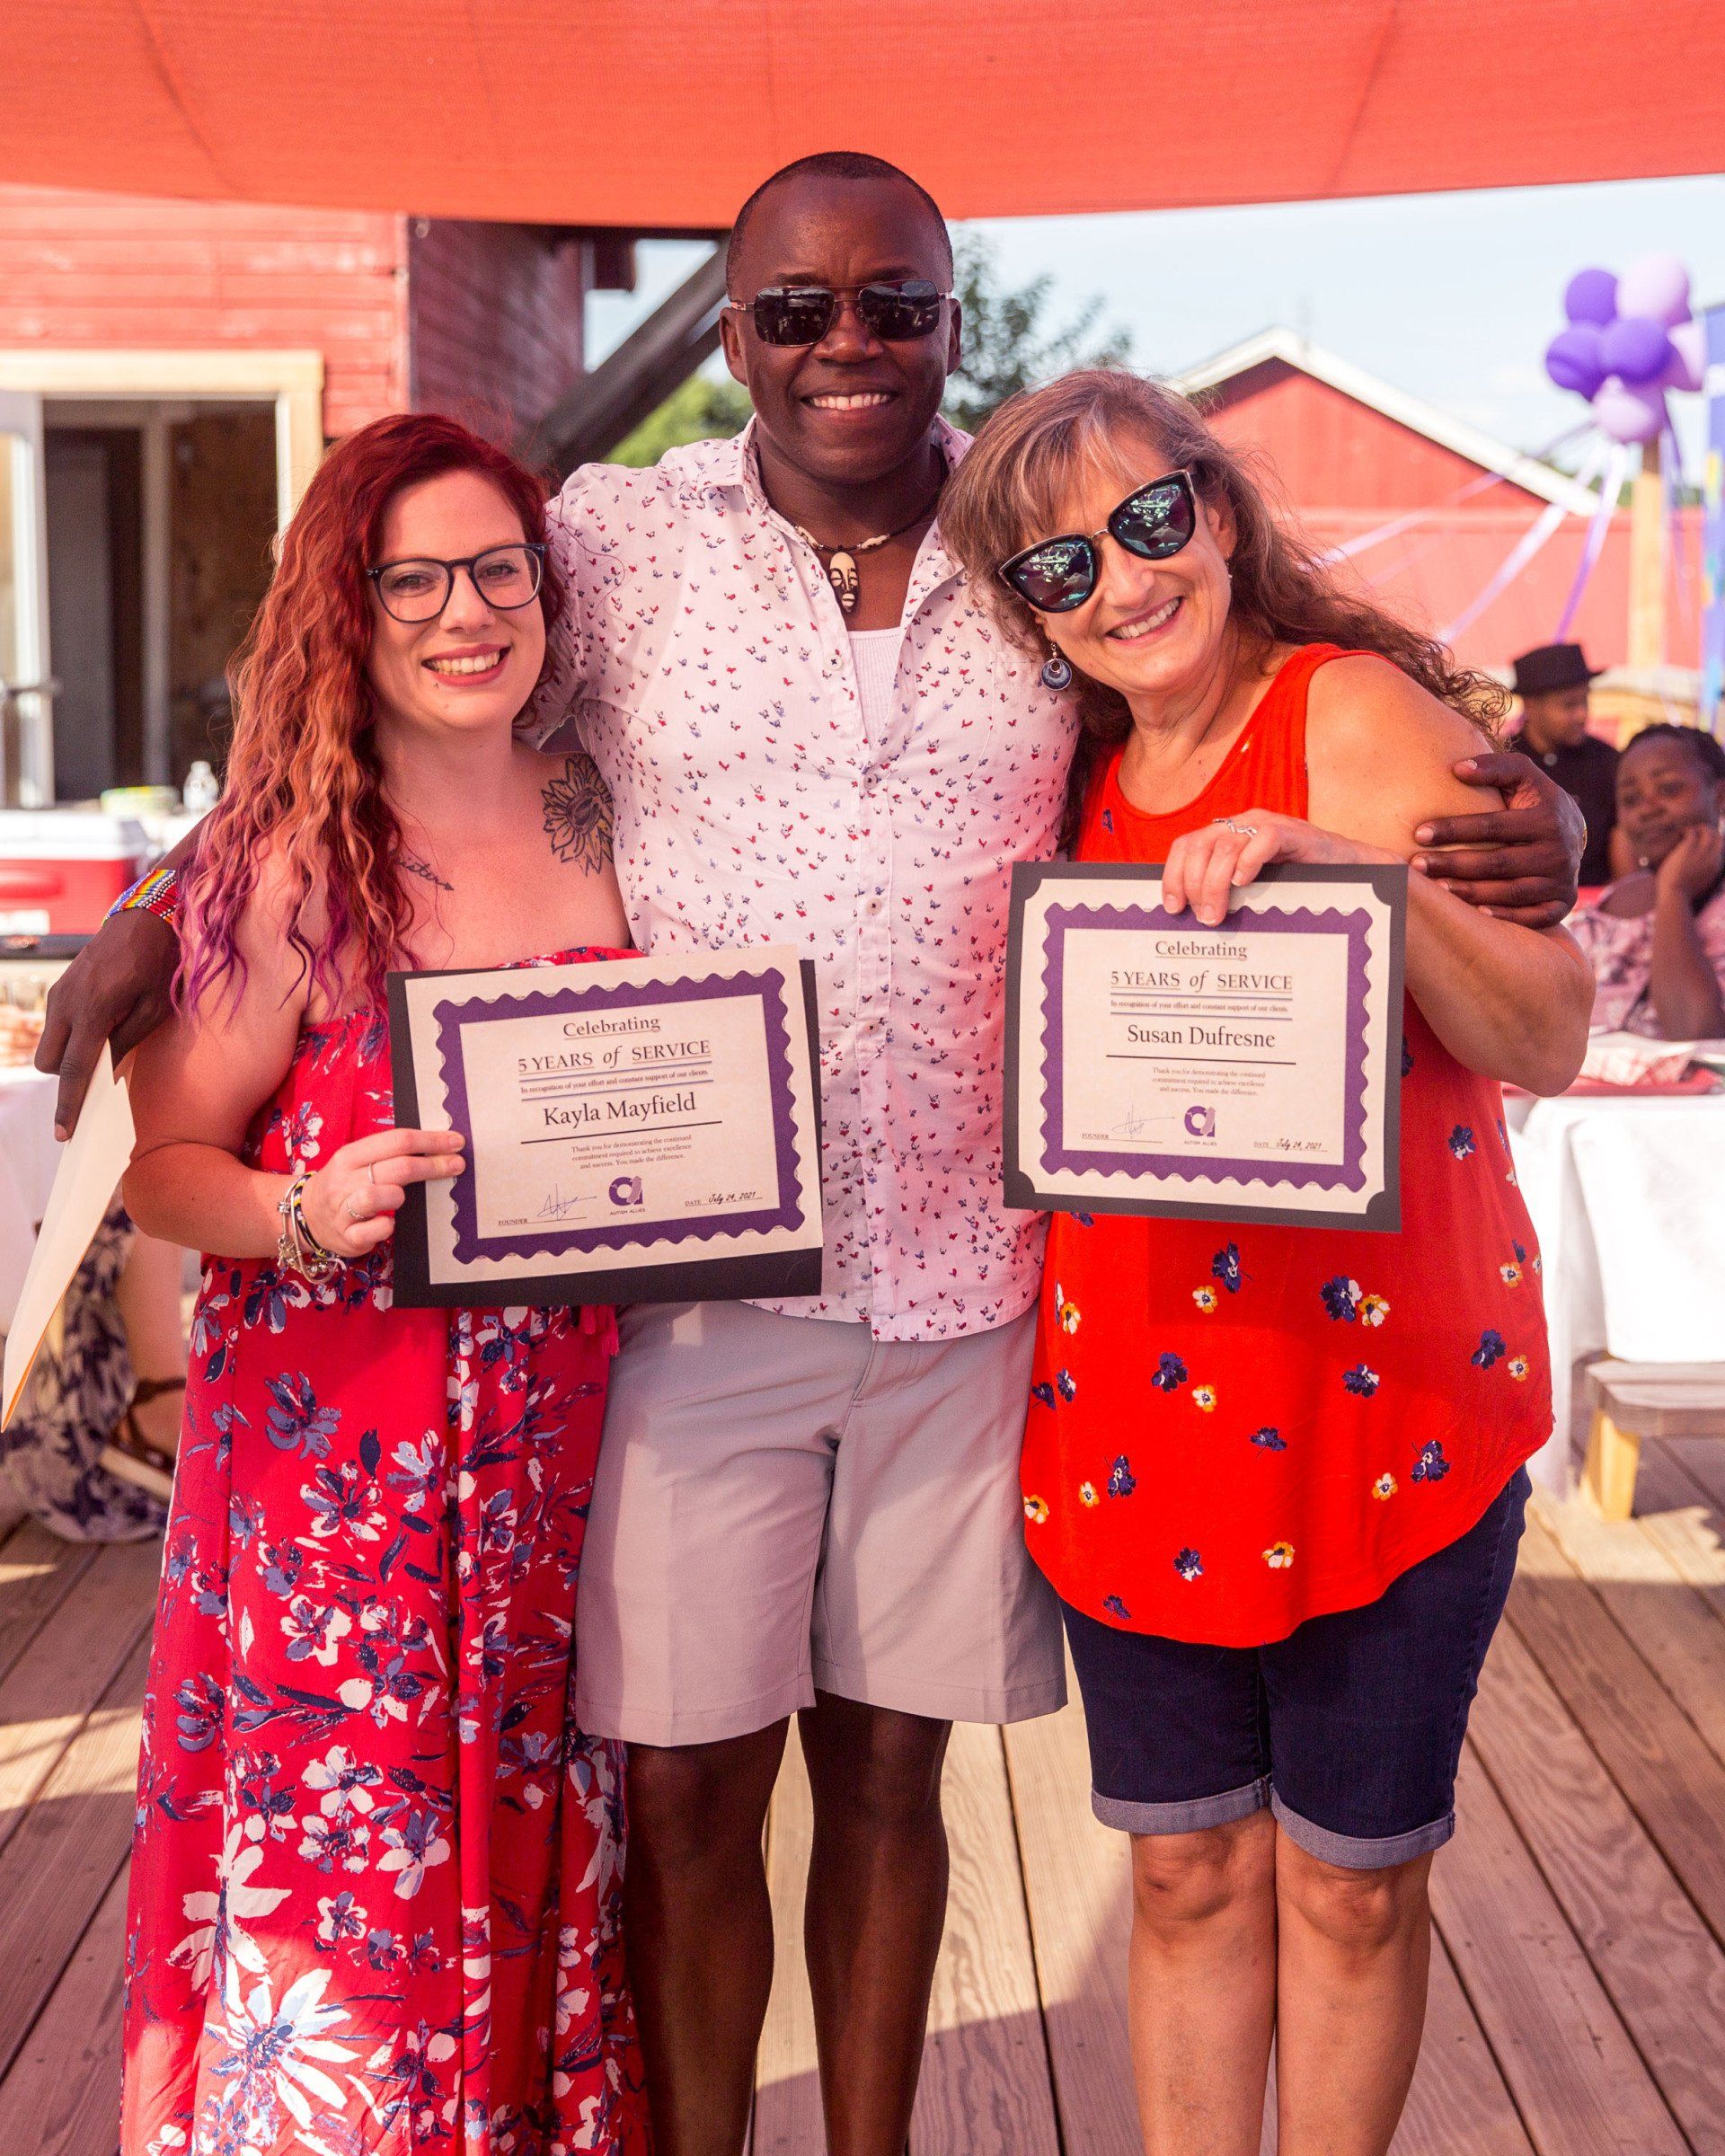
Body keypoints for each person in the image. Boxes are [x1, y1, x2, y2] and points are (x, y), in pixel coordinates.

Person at [40, 155, 1583, 2156]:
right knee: (685, 1791)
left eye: (894, 305)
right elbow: (404, 678)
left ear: (952, 314)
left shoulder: (1031, 553)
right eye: (793, 309)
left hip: (979, 1294)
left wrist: (1527, 796)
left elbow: (1281, 658)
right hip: (693, 1297)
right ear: (731, 328)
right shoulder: (614, 538)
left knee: (890, 1777)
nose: (846, 344)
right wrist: (176, 897)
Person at [942, 368, 1592, 2156]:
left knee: (1357, 1890)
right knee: (1187, 1881)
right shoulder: (1053, 777)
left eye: (1151, 521)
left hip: (1388, 1420)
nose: (1122, 580)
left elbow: (1546, 1031)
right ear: (1030, 615)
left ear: (1217, 513)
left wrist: (1347, 884)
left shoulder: (1353, 713)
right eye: (1060, 566)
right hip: (1136, 1420)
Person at [117, 413, 645, 2153]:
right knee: (348, 1893)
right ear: (342, 608)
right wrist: (305, 1210)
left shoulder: (605, 818)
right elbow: (162, 1166)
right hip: (337, 1496)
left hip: (557, 1483)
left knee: (525, 1854)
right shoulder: (282, 863)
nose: (462, 611)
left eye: (497, 567)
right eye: (407, 577)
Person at [1568, 721, 1725, 1038]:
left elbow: (1694, 1034)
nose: (1646, 810)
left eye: (1668, 789)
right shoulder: (1615, 902)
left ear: (1720, 796)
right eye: (1630, 799)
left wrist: (1674, 893)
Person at [1511, 641, 1617, 884]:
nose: (1582, 714)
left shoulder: (1608, 762)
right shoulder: (1506, 762)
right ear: (1531, 705)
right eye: (1569, 705)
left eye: (1585, 701)